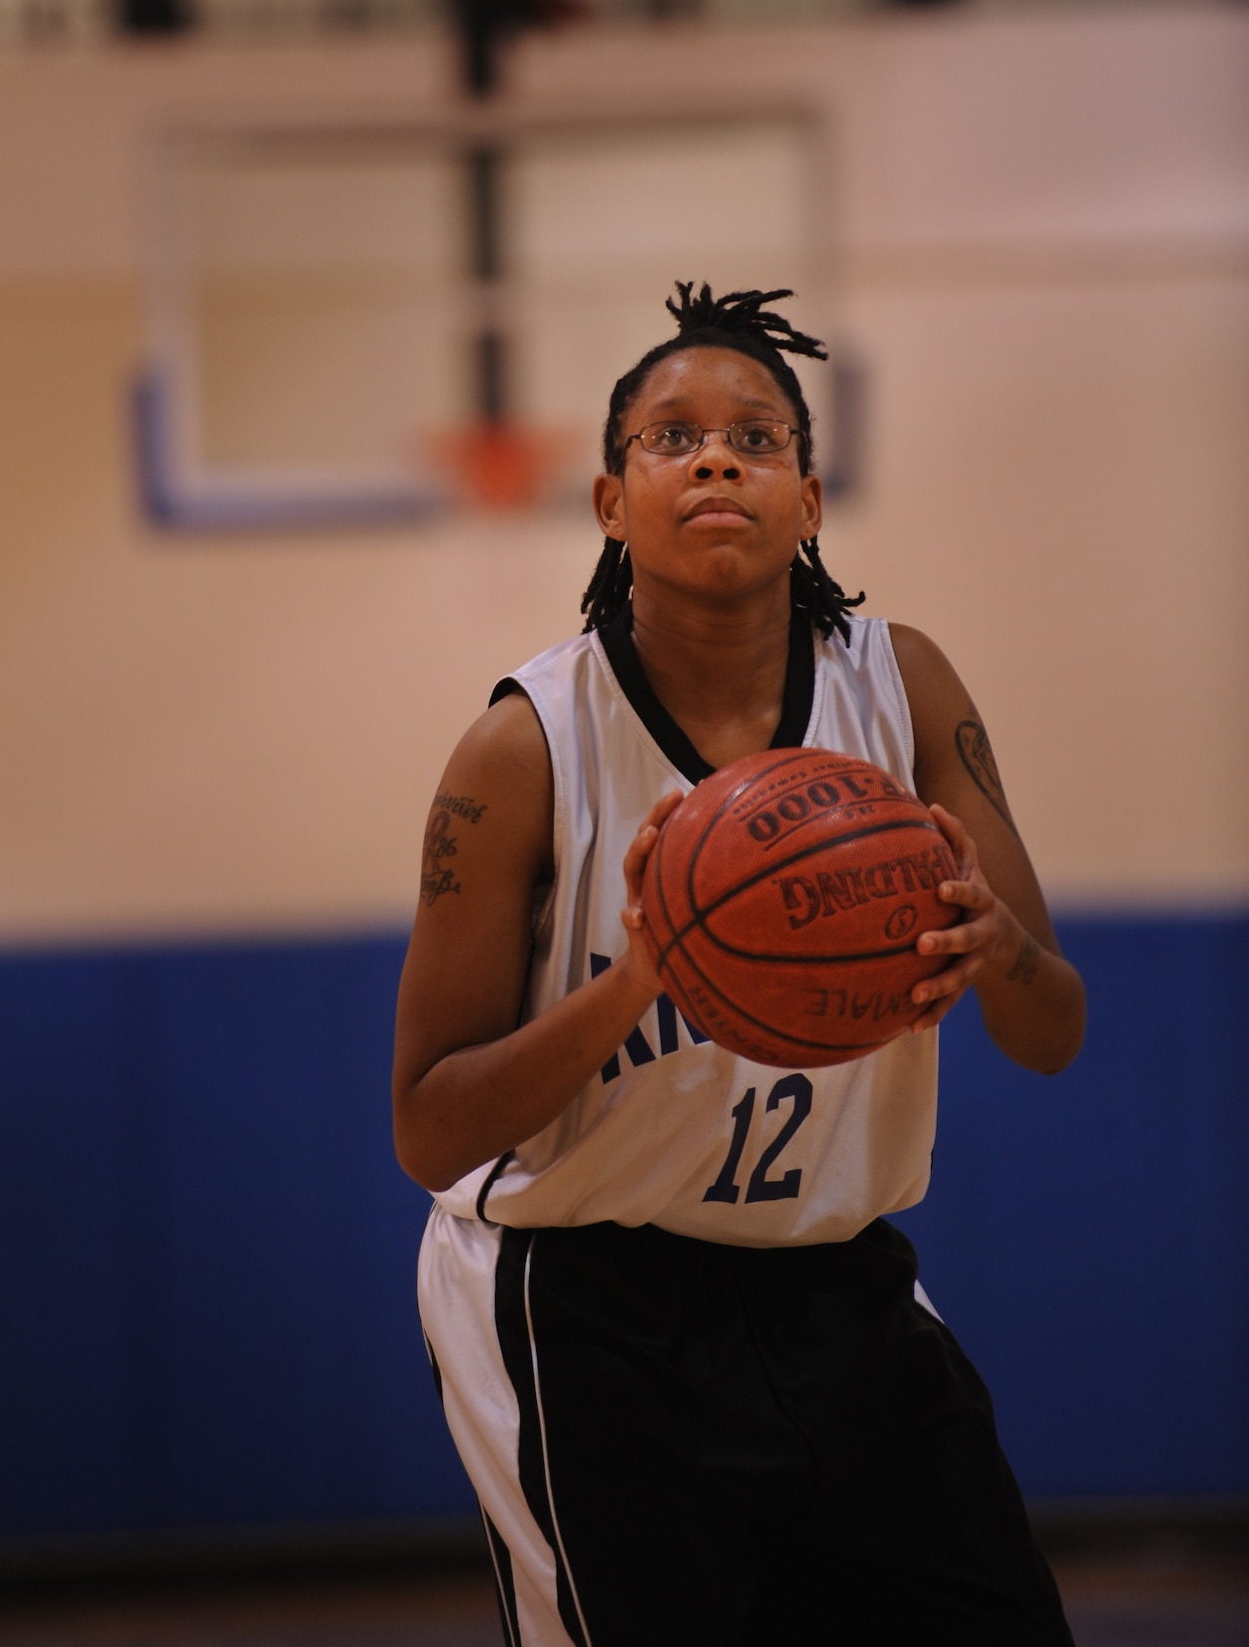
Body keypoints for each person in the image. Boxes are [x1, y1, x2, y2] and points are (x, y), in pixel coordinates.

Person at [392, 284, 1086, 1647]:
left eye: (757, 438)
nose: (716, 459)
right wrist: (640, 976)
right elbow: (429, 1125)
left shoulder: (906, 686)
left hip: (838, 1281)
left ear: (812, 500)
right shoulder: (525, 748)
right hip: (585, 1302)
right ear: (607, 501)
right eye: (672, 436)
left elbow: (1050, 1027)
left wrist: (998, 947)